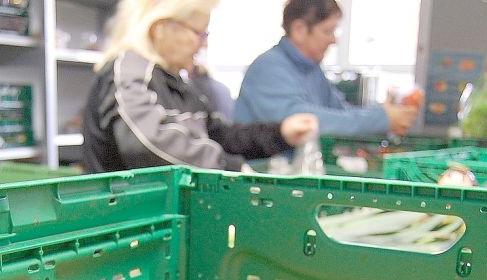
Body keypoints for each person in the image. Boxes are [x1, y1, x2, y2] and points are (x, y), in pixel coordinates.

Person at [82, 0, 317, 174]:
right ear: (161, 28)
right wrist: (231, 168)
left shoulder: (177, 83)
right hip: (123, 224)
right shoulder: (128, 69)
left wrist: (281, 133)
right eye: (199, 33)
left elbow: (219, 135)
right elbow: (146, 143)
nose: (203, 44)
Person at [234, 0, 419, 136]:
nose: (334, 40)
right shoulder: (268, 69)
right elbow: (305, 122)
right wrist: (382, 119)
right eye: (327, 31)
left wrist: (382, 112)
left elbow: (340, 113)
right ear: (299, 29)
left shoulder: (312, 70)